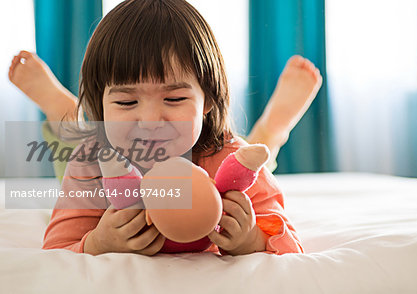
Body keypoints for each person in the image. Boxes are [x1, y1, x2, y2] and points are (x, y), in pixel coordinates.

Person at [8, 0, 322, 256]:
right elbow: (57, 250)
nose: (150, 121)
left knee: (255, 158)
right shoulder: (90, 164)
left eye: (173, 98)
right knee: (72, 153)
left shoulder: (228, 156)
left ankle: (270, 133)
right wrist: (97, 243)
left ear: (208, 101)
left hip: (233, 150)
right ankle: (63, 112)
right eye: (127, 103)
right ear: (100, 108)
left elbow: (288, 242)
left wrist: (250, 239)